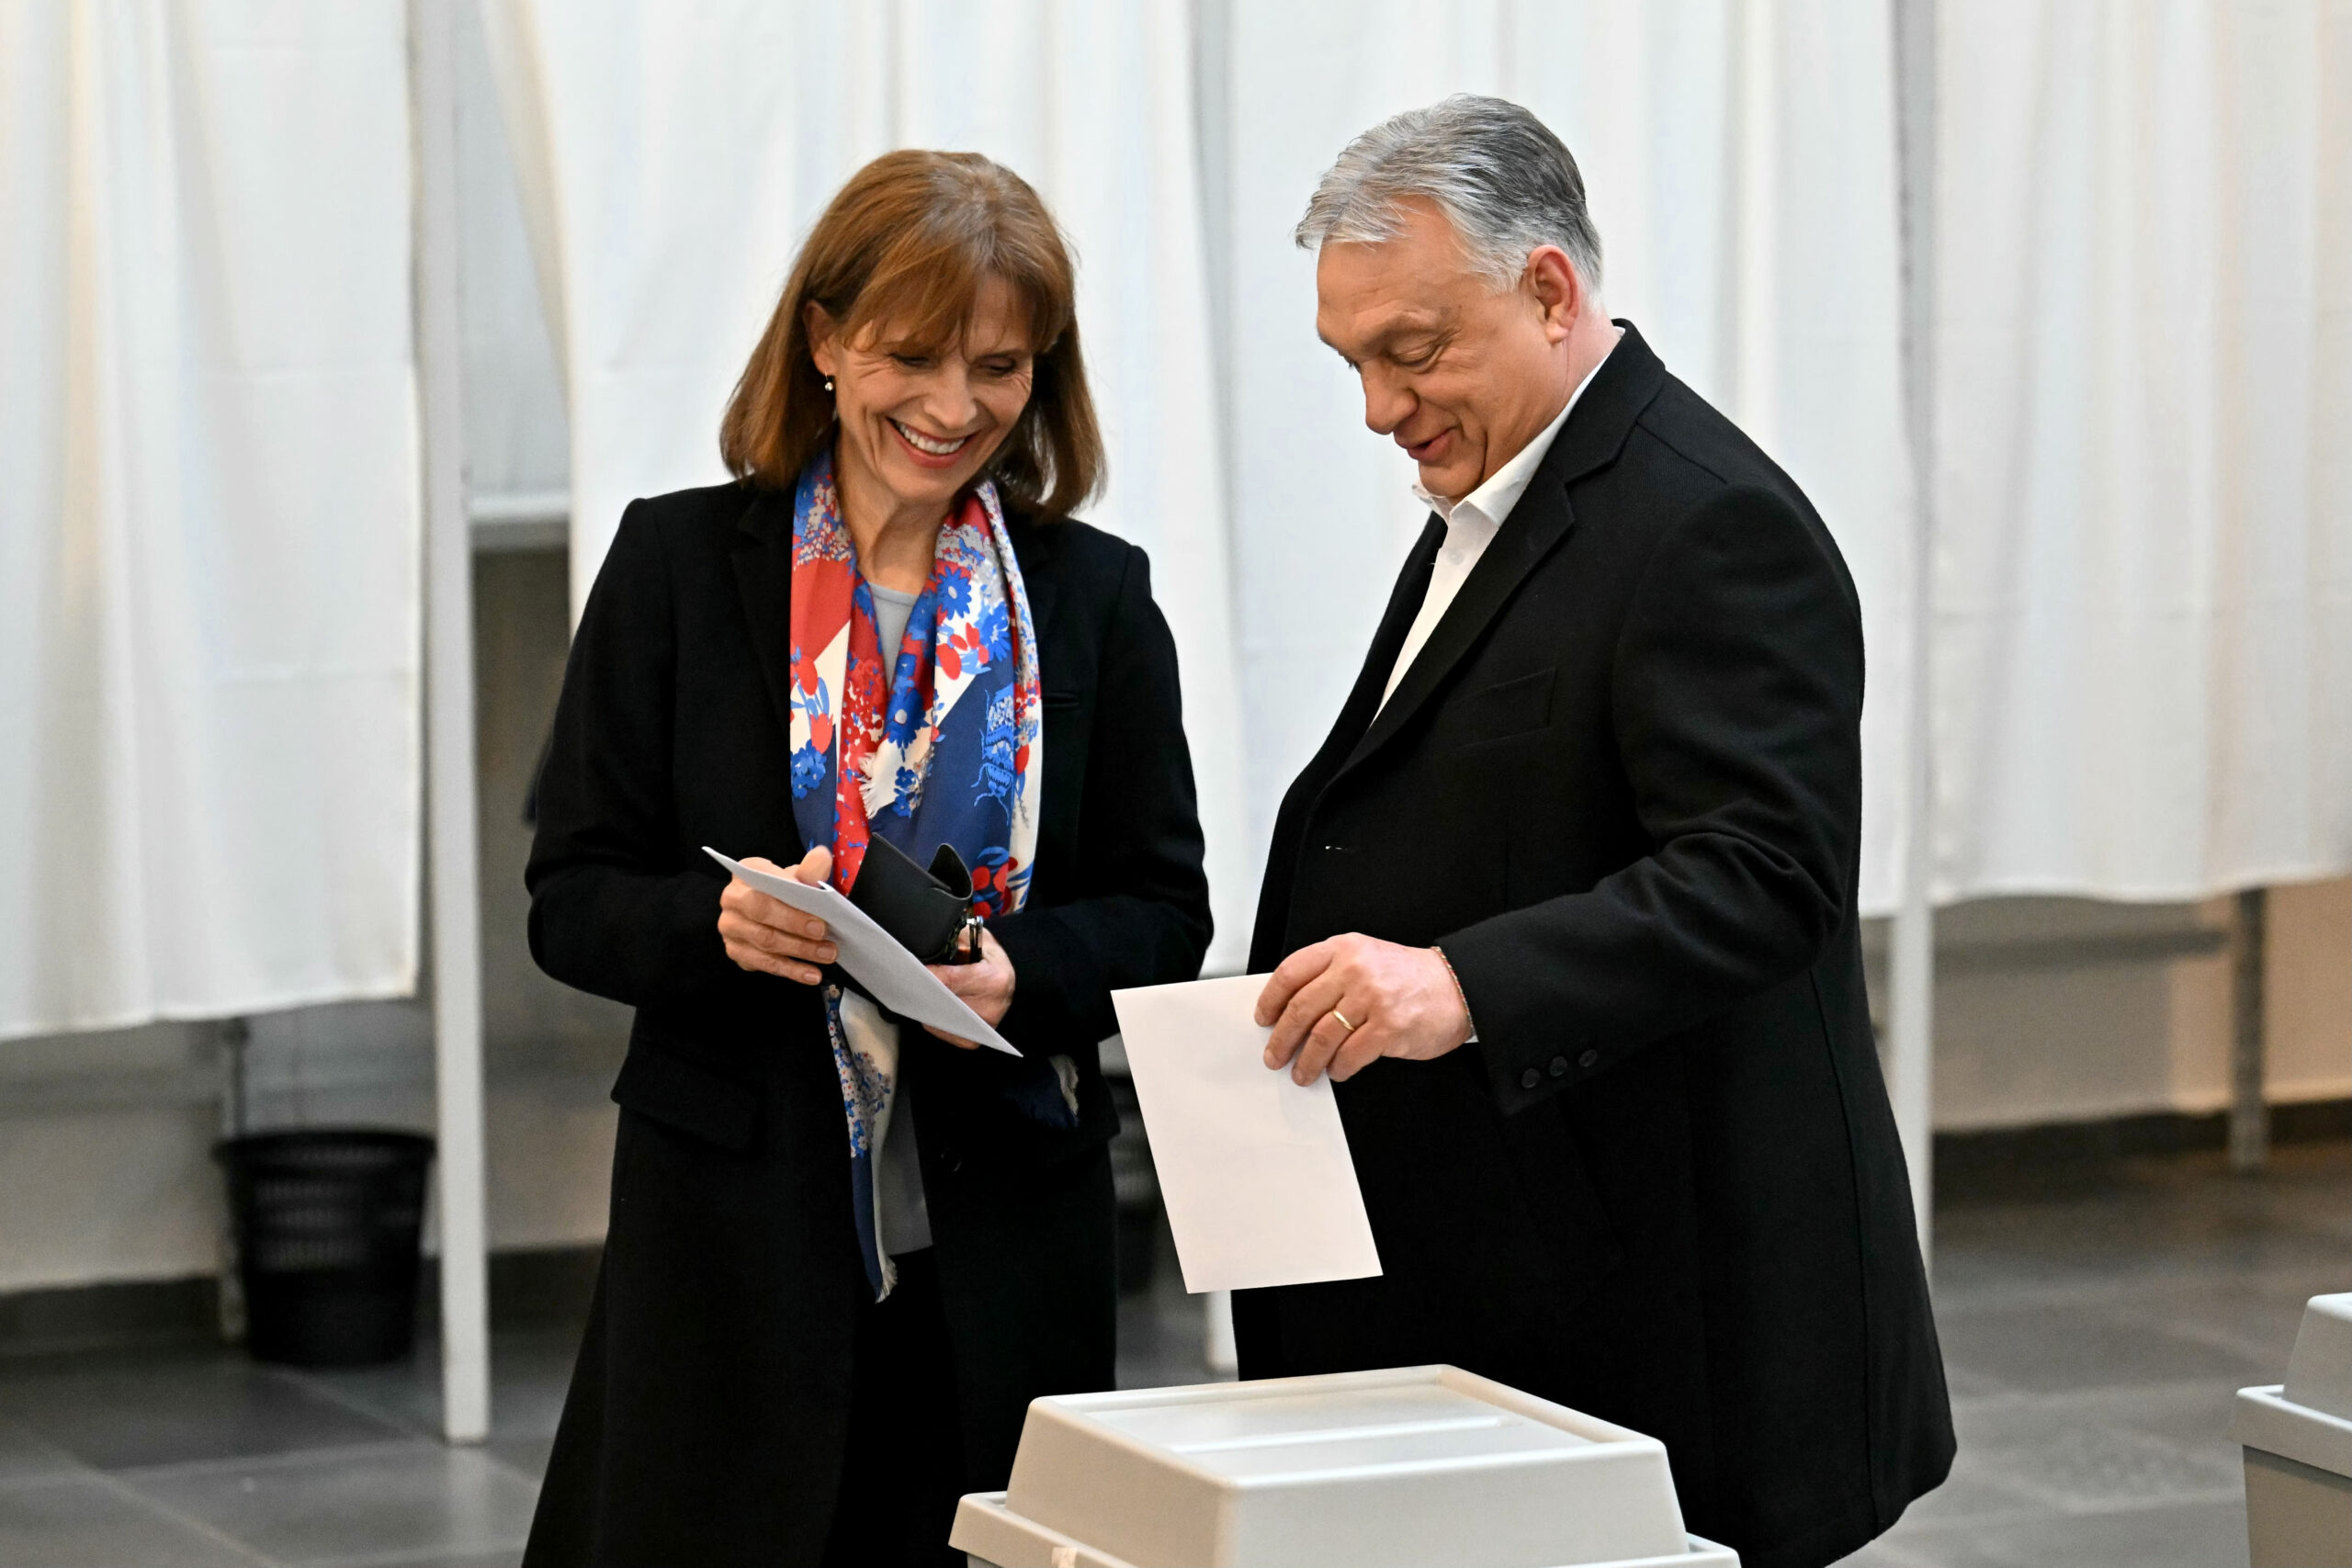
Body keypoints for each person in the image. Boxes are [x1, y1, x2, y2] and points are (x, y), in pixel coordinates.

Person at [1239, 96, 1953, 1568]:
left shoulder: (1708, 521)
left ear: (1551, 291)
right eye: (1351, 362)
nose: (1378, 407)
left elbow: (1766, 878)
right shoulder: (1510, 492)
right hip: (1530, 1257)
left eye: (1411, 351)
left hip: (1666, 1302)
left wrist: (1458, 984)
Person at [520, 150, 1212, 1567]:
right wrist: (714, 926)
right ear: (824, 340)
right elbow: (570, 899)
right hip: (734, 1219)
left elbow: (1163, 909)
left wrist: (1027, 971)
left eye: (1000, 367)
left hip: (1002, 1217)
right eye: (912, 357)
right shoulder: (675, 567)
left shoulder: (1094, 596)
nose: (955, 409)